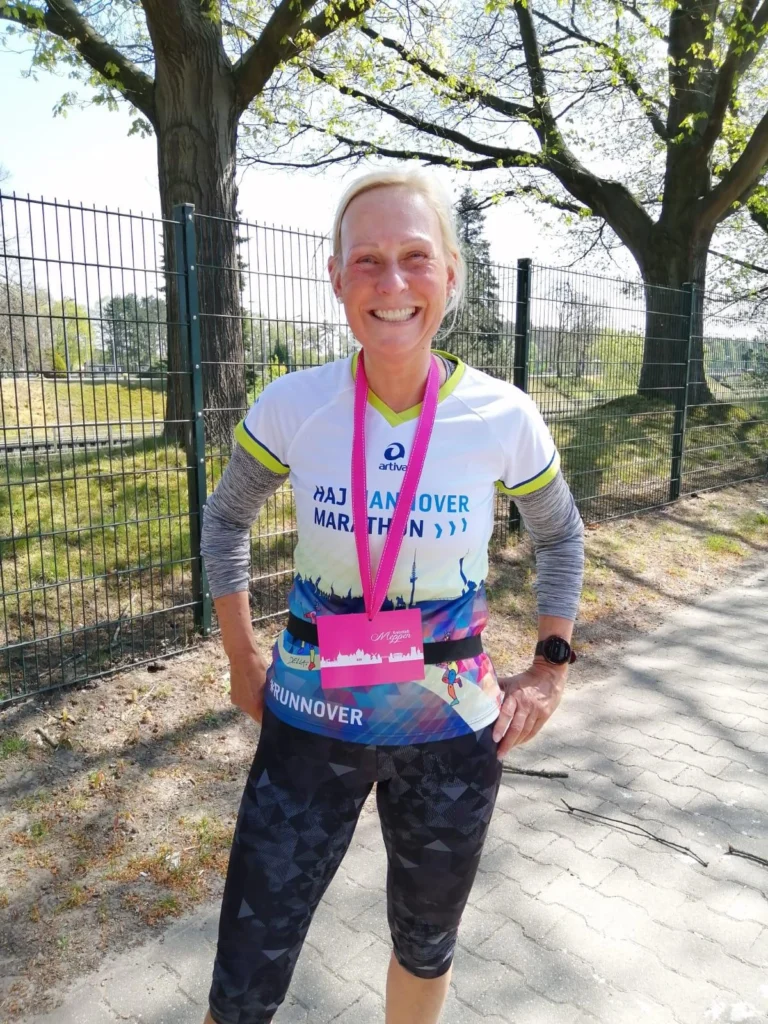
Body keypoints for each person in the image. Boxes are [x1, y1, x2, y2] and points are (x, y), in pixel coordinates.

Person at [199, 168, 584, 1024]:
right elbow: (224, 521)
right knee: (248, 960)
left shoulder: (503, 415)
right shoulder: (295, 403)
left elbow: (560, 535)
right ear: (335, 277)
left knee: (425, 942)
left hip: (450, 733)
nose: (393, 282)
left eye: (416, 257)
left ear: (450, 272)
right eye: (366, 260)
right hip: (307, 723)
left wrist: (550, 668)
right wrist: (241, 656)